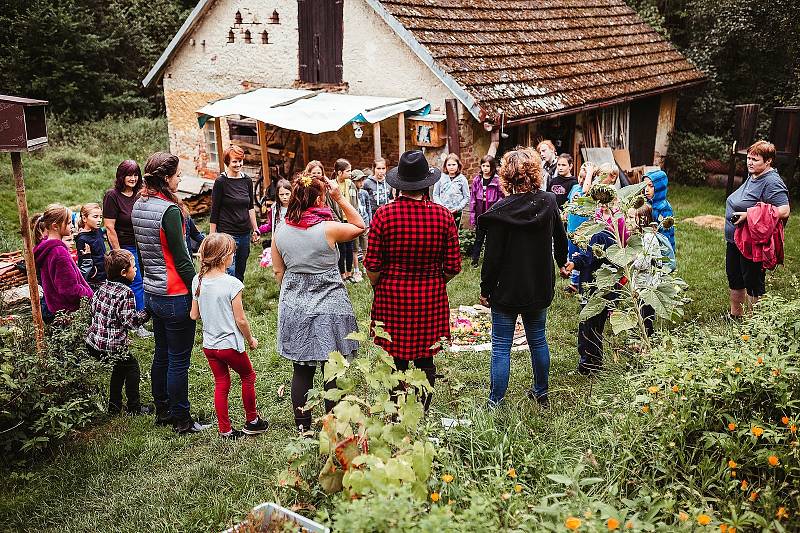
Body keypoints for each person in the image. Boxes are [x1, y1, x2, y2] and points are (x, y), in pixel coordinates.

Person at [364, 150, 461, 412]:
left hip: (392, 296)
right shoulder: (443, 217)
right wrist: (435, 281)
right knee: (425, 355)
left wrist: (379, 284)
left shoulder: (384, 215)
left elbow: (372, 264)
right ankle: (420, 409)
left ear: (399, 183)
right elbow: (453, 266)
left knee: (396, 356)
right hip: (430, 296)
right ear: (426, 184)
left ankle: (397, 409)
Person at [271, 174, 364, 432]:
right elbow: (359, 226)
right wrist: (340, 197)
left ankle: (303, 429)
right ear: (319, 198)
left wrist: (294, 296)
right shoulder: (328, 228)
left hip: (296, 304)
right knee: (332, 369)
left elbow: (279, 271)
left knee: (301, 371)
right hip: (331, 306)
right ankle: (333, 429)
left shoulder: (281, 230)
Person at [479, 147, 568, 408]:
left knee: (501, 346)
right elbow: (560, 238)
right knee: (538, 339)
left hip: (506, 290)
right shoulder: (550, 201)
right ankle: (541, 392)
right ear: (535, 173)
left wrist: (486, 289)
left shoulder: (499, 210)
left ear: (505, 176)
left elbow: (492, 259)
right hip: (538, 285)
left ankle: (496, 401)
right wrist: (563, 263)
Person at [132, 152, 208, 434]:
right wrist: (199, 288)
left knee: (161, 354)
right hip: (175, 294)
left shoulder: (139, 204)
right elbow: (182, 258)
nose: (179, 179)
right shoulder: (170, 211)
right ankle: (182, 420)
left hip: (153, 291)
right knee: (179, 359)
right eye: (177, 175)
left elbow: (141, 252)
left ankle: (163, 409)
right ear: (166, 178)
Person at [190, 233, 269, 440]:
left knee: (221, 383)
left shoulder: (197, 280)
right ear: (224, 257)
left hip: (210, 346)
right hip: (229, 345)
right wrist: (251, 340)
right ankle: (252, 421)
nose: (234, 256)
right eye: (232, 252)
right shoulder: (232, 284)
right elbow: (241, 320)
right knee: (248, 377)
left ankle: (225, 430)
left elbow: (193, 314)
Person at [725, 140, 790, 318]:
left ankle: (755, 323)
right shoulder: (754, 175)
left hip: (753, 241)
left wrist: (749, 215)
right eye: (748, 158)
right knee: (735, 277)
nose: (750, 162)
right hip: (736, 239)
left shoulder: (772, 181)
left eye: (755, 159)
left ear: (768, 161)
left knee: (753, 281)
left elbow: (784, 210)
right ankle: (735, 316)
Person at [85, 249, 151, 414]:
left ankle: (114, 406)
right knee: (132, 367)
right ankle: (134, 407)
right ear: (123, 273)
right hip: (112, 346)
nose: (136, 270)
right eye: (134, 267)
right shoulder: (126, 293)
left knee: (120, 367)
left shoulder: (102, 287)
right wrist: (148, 312)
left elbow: (93, 309)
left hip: (93, 342)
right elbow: (130, 322)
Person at [563, 206, 622, 375]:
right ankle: (594, 362)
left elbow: (589, 258)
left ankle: (587, 365)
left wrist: (574, 263)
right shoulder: (610, 233)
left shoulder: (599, 235)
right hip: (604, 289)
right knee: (596, 327)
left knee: (588, 328)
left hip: (595, 289)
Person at [209, 145, 260, 282]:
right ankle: (228, 301)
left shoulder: (247, 181)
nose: (238, 164)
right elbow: (214, 211)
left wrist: (255, 229)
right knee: (229, 270)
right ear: (227, 162)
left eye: (240, 160)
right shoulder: (221, 182)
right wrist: (212, 236)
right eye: (235, 161)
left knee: (240, 271)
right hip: (227, 233)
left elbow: (250, 207)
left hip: (244, 233)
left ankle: (237, 300)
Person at [33, 204, 93, 316]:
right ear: (55, 226)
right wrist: (89, 294)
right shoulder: (59, 253)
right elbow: (69, 289)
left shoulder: (45, 246)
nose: (72, 226)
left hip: (55, 308)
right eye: (69, 223)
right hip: (67, 312)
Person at [103, 160, 146, 314]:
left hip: (143, 243)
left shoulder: (140, 193)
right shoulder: (112, 196)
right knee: (135, 280)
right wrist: (119, 253)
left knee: (145, 278)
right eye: (129, 175)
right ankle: (137, 318)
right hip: (126, 246)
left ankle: (144, 310)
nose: (133, 178)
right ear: (121, 176)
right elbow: (109, 227)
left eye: (135, 175)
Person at [564, 162, 596, 294]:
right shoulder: (575, 188)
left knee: (581, 256)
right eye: (580, 176)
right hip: (572, 229)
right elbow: (569, 202)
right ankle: (574, 282)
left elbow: (585, 190)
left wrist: (590, 172)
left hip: (585, 232)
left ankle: (582, 282)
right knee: (572, 254)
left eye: (585, 177)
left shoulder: (590, 191)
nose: (582, 180)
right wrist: (566, 213)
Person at [469, 154, 503, 267]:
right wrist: (473, 217)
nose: (485, 168)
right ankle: (475, 260)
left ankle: (490, 260)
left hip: (492, 214)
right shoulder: (477, 180)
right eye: (483, 165)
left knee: (491, 239)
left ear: (492, 167)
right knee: (479, 238)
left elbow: (501, 196)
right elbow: (473, 198)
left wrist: (496, 209)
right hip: (480, 214)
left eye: (488, 166)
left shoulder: (497, 181)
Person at [329, 159, 360, 282]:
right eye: (348, 171)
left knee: (350, 248)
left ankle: (349, 273)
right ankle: (342, 274)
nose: (350, 173)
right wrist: (338, 221)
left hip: (350, 220)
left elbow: (355, 202)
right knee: (341, 249)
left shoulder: (351, 185)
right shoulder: (332, 185)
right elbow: (330, 205)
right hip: (338, 221)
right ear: (339, 172)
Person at [432, 153, 470, 228]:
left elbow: (466, 197)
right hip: (443, 211)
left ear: (458, 165)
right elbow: (435, 194)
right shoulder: (440, 178)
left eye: (453, 164)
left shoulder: (462, 179)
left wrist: (458, 208)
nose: (451, 167)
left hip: (456, 211)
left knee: (454, 230)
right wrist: (442, 207)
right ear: (445, 166)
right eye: (449, 165)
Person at [75, 203, 107, 288]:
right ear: (85, 218)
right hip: (94, 280)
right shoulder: (82, 239)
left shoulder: (98, 231)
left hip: (105, 275)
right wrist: (93, 273)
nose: (99, 220)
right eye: (95, 217)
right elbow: (83, 262)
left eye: (100, 217)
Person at [643, 169, 675, 251]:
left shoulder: (664, 208)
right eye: (645, 186)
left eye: (651, 186)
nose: (646, 189)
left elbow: (665, 235)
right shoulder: (647, 204)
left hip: (662, 249)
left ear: (659, 187)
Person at [351, 169, 373, 282]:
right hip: (354, 224)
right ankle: (356, 269)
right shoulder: (351, 193)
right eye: (359, 180)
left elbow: (368, 207)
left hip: (364, 223)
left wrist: (369, 222)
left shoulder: (364, 193)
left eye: (362, 180)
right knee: (355, 248)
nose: (361, 183)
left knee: (365, 247)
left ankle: (365, 268)